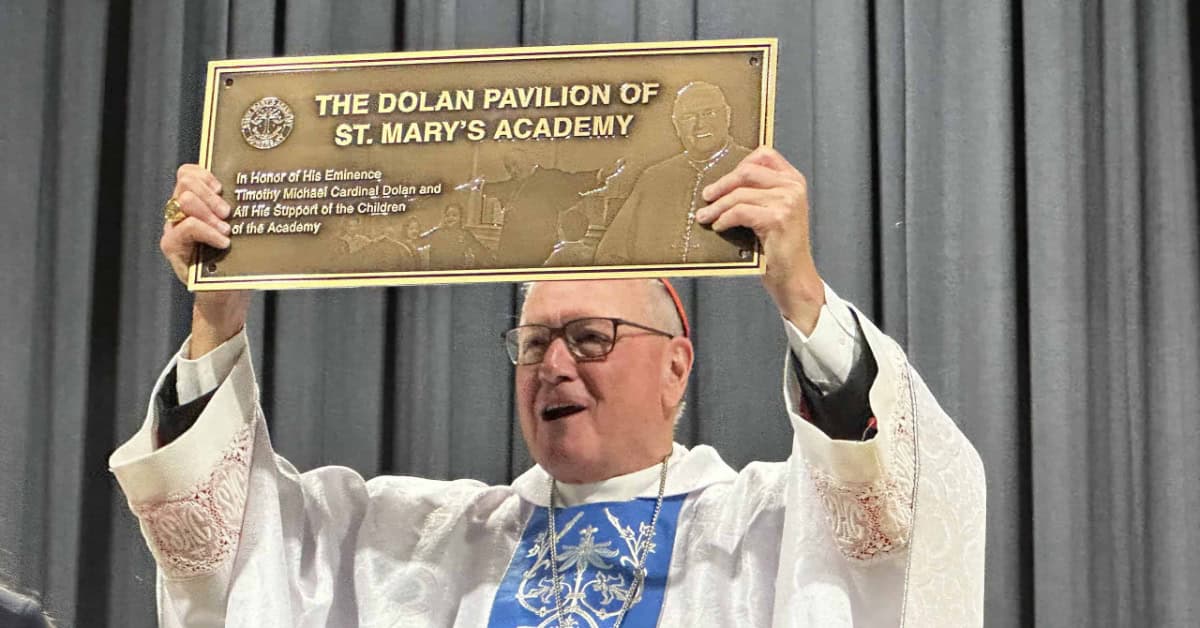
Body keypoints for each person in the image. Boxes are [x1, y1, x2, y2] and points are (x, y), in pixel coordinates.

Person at [111, 148, 985, 626]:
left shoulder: (759, 529)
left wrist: (799, 289)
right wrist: (215, 317)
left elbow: (890, 507)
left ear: (678, 365)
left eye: (590, 339)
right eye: (531, 345)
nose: (554, 366)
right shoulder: (429, 544)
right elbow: (227, 542)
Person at [594, 81, 756, 266]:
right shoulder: (654, 178)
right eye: (688, 117)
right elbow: (611, 252)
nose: (699, 125)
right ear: (676, 125)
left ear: (727, 116)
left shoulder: (752, 169)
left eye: (709, 113)